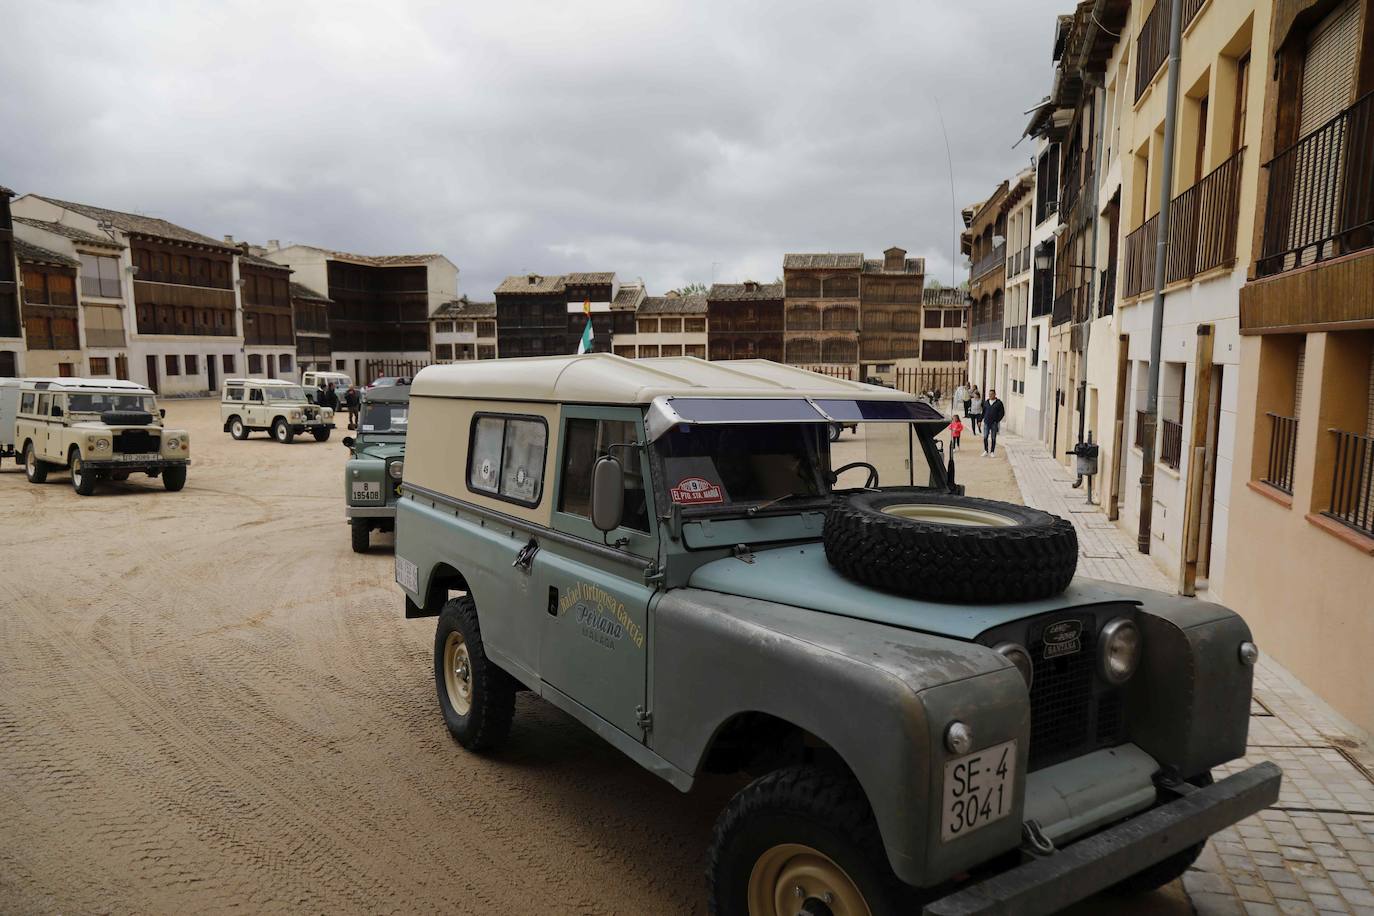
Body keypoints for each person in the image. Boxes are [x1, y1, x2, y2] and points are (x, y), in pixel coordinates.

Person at [982, 389, 1006, 456]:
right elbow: (983, 412)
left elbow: (1002, 413)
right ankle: (986, 450)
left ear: (995, 394)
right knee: (985, 437)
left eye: (992, 394)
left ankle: (992, 451)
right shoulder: (986, 402)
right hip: (986, 422)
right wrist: (979, 420)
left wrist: (997, 420)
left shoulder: (999, 403)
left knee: (993, 437)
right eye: (989, 394)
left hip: (994, 423)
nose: (990, 395)